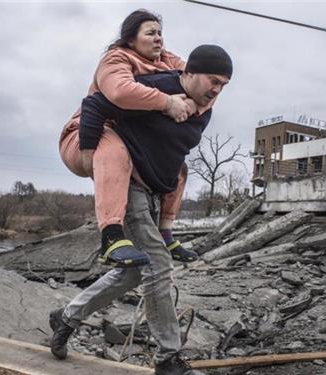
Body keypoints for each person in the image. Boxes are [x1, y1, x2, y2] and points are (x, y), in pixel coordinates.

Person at [51, 45, 233, 375]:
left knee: (135, 271)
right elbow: (94, 104)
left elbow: (173, 159)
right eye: (213, 80)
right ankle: (167, 357)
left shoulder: (203, 111)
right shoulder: (159, 88)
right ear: (189, 73)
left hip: (152, 194)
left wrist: (167, 223)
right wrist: (92, 155)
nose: (217, 89)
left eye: (224, 84)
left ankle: (66, 316)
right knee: (158, 266)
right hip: (128, 183)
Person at [59, 9, 199, 269]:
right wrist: (167, 102)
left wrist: (192, 101)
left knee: (178, 169)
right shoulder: (115, 59)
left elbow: (199, 80)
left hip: (131, 142)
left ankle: (167, 234)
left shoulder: (168, 60)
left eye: (160, 33)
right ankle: (111, 237)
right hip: (87, 135)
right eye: (150, 33)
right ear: (131, 39)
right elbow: (119, 92)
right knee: (114, 149)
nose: (159, 38)